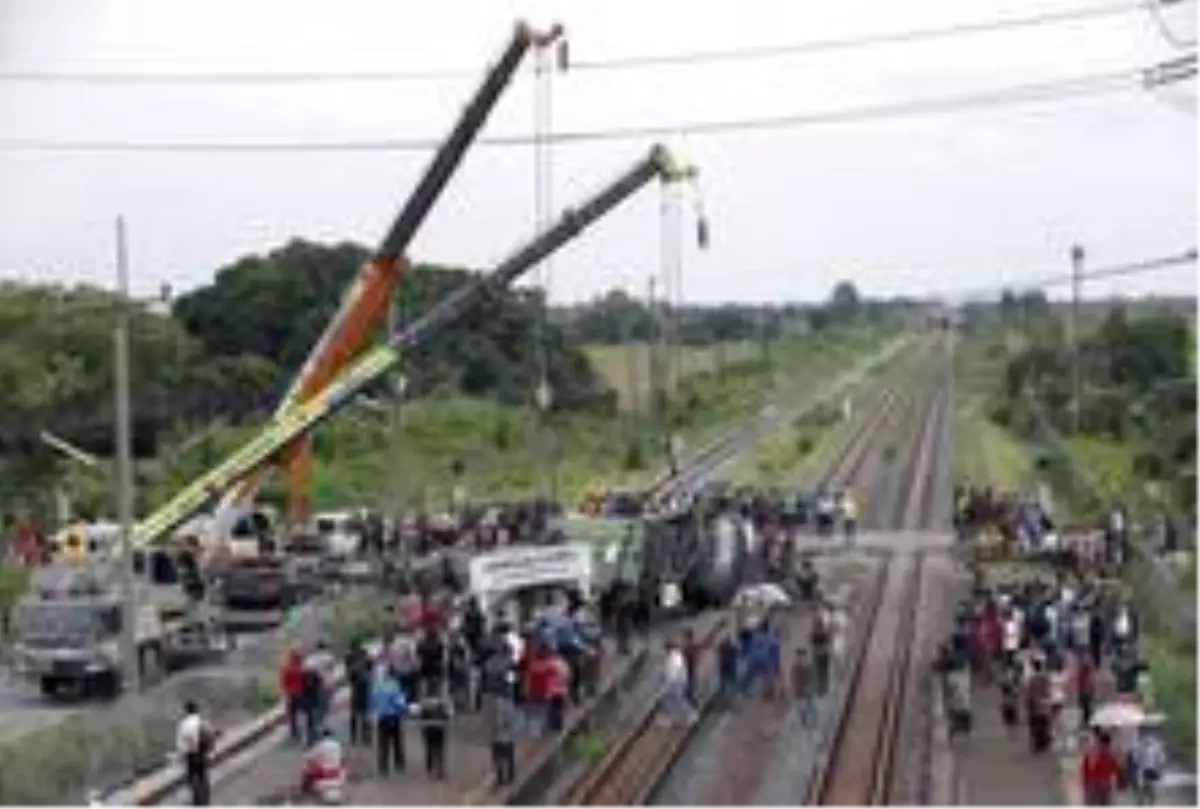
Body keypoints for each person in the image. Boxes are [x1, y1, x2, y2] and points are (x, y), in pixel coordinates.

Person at [175, 700, 215, 809]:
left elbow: (180, 745)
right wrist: (210, 752)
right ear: (196, 709)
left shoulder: (183, 724)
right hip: (202, 753)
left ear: (186, 711)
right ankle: (205, 802)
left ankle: (197, 803)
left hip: (191, 756)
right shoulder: (202, 721)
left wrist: (180, 757)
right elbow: (210, 736)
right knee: (204, 778)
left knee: (193, 780)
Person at [370, 665, 408, 776]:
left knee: (383, 743)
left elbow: (373, 701)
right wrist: (403, 712)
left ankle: (383, 767)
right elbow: (399, 702)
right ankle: (399, 765)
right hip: (394, 716)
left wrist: (374, 712)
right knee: (397, 742)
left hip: (382, 717)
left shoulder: (376, 685)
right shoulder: (394, 685)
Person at [486, 675, 520, 786]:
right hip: (507, 734)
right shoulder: (509, 702)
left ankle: (502, 776)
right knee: (508, 754)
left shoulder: (498, 702)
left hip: (500, 734)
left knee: (499, 755)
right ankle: (509, 775)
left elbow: (497, 719)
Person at [1081, 727, 1124, 809]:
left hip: (1103, 784)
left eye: (1107, 745)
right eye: (1104, 745)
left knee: (1104, 805)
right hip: (1095, 784)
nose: (1105, 748)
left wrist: (1120, 782)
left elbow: (1117, 768)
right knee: (1095, 805)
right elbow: (1086, 768)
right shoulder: (1093, 753)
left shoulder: (1110, 755)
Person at [415, 687, 453, 779]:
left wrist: (422, 728)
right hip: (440, 728)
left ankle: (430, 769)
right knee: (439, 749)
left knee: (429, 749)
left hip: (429, 729)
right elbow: (448, 714)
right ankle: (439, 770)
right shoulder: (442, 702)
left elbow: (420, 715)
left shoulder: (424, 703)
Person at [301, 727, 346, 800]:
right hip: (336, 771)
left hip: (324, 772)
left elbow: (309, 756)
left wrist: (305, 753)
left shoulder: (320, 745)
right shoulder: (337, 745)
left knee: (306, 771)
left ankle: (306, 792)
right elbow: (342, 758)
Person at [345, 640, 373, 746]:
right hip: (364, 685)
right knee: (365, 711)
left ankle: (354, 736)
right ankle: (366, 736)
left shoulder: (349, 656)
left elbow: (348, 672)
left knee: (355, 712)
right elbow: (371, 667)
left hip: (356, 686)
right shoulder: (364, 654)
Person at [1131, 728, 1166, 809]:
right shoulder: (1156, 745)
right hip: (1147, 772)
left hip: (1146, 772)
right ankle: (1148, 806)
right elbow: (1161, 760)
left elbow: (1135, 760)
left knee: (1144, 794)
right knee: (1149, 794)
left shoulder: (1139, 745)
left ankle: (1145, 806)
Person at [280, 649, 306, 743]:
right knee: (303, 713)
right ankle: (301, 731)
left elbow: (284, 683)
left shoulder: (287, 668)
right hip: (300, 694)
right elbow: (305, 682)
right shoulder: (302, 668)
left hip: (291, 694)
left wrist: (286, 694)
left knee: (292, 715)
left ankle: (294, 733)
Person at [791, 648, 815, 726]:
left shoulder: (808, 668)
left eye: (802, 657)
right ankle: (803, 721)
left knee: (806, 708)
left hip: (806, 692)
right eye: (799, 657)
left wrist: (809, 688)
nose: (800, 659)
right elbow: (794, 680)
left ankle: (806, 721)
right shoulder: (795, 668)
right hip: (799, 692)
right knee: (800, 708)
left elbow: (811, 679)